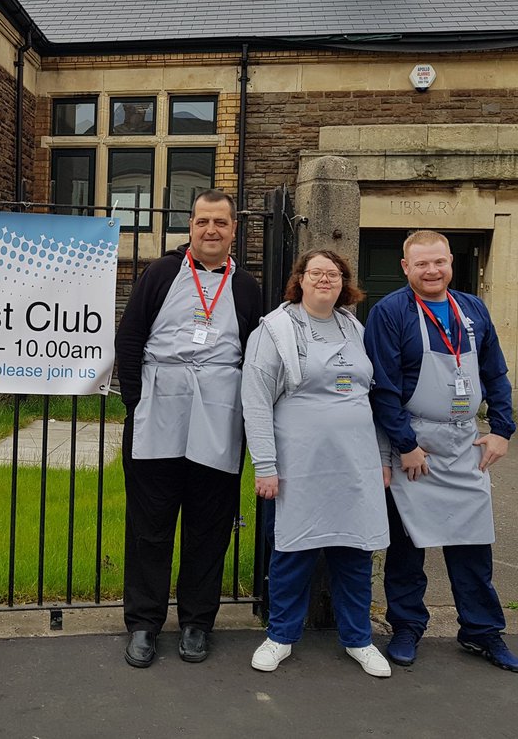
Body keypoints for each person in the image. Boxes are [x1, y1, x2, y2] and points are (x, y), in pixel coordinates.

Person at [114, 189, 264, 667]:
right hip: (157, 411)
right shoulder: (159, 273)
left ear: (234, 229)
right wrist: (137, 401)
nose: (211, 230)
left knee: (209, 525)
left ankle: (198, 622)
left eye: (221, 222)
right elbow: (131, 335)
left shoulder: (247, 288)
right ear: (191, 225)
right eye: (203, 221)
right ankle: (143, 624)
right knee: (149, 527)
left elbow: (257, 354)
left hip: (219, 418)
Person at [363, 230, 518, 673]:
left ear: (450, 262)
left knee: (472, 544)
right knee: (406, 547)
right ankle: (407, 626)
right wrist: (406, 446)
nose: (432, 271)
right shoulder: (390, 312)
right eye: (422, 264)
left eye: (439, 262)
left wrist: (502, 430)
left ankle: (481, 631)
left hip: (463, 442)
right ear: (405, 268)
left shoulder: (472, 309)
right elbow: (383, 388)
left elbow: (495, 372)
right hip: (415, 444)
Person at [243, 249, 391, 678]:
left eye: (334, 273)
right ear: (300, 280)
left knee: (354, 551)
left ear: (344, 282)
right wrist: (265, 465)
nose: (325, 280)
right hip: (298, 464)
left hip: (355, 463)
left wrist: (382, 457)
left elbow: (375, 397)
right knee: (293, 550)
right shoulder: (274, 331)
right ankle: (280, 636)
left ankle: (359, 640)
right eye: (317, 273)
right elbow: (255, 403)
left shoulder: (356, 329)